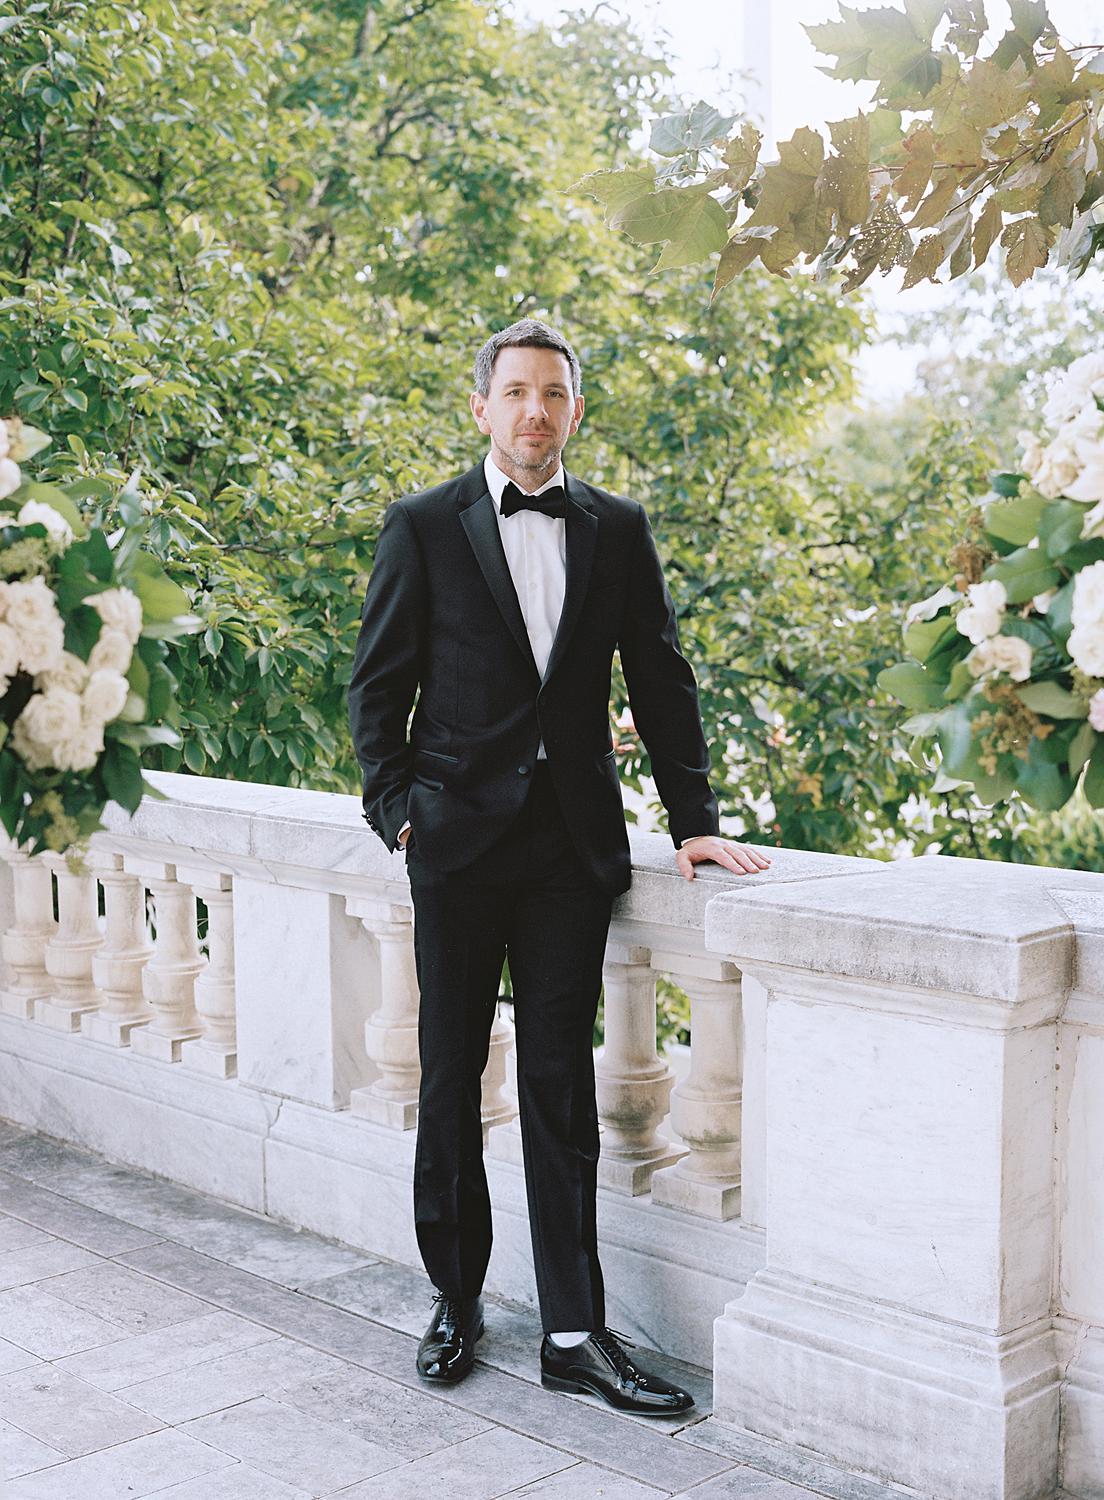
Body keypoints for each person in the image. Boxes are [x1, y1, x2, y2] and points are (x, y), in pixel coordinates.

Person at [347, 318, 771, 1415]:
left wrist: (694, 821)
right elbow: (374, 687)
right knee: (447, 1082)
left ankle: (574, 1333)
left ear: (576, 411)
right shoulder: (421, 526)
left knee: (558, 1094)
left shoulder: (618, 529)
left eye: (555, 394)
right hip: (453, 848)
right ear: (482, 407)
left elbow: (661, 680)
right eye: (518, 392)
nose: (536, 411)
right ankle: (456, 1300)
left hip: (571, 855)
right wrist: (397, 813)